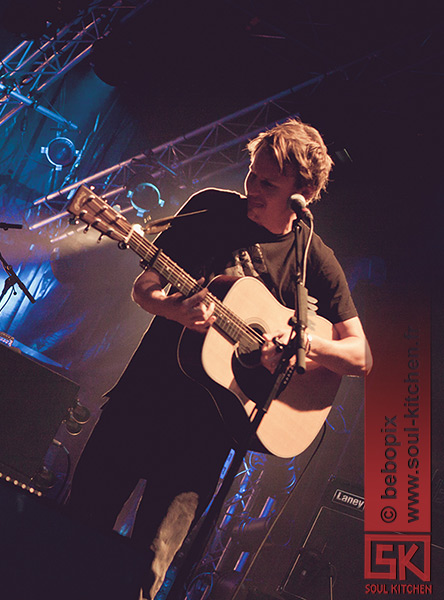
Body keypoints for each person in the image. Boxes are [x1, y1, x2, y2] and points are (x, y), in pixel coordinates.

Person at [65, 118, 373, 599]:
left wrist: (300, 345)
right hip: (142, 401)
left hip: (207, 435)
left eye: (268, 183)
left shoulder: (314, 258)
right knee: (75, 534)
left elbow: (360, 355)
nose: (252, 188)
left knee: (145, 573)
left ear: (303, 194)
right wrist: (174, 308)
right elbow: (144, 287)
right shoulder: (208, 209)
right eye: (253, 174)